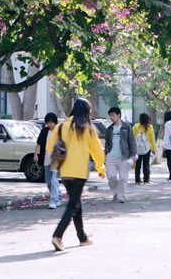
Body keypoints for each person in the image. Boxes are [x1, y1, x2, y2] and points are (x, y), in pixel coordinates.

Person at [51, 98, 105, 252]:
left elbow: (50, 146)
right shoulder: (87, 128)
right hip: (79, 172)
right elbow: (97, 150)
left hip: (64, 171)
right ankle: (57, 235)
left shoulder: (61, 127)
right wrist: (101, 168)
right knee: (72, 205)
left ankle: (82, 238)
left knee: (76, 204)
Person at [105, 107, 137, 203]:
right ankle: (116, 192)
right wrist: (107, 153)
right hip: (112, 156)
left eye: (113, 115)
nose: (111, 117)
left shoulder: (126, 127)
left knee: (123, 178)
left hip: (124, 156)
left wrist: (133, 154)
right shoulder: (109, 129)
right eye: (110, 115)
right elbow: (107, 142)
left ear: (118, 115)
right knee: (111, 176)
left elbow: (132, 141)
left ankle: (121, 196)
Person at [35, 113, 61, 209]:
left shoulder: (59, 131)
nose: (49, 125)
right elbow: (39, 143)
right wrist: (36, 154)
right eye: (48, 123)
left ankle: (53, 201)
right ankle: (58, 196)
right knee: (49, 182)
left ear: (55, 122)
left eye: (51, 123)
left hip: (56, 159)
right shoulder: (44, 131)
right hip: (46, 159)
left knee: (54, 181)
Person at [132, 113, 156, 185]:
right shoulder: (150, 127)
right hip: (146, 148)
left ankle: (137, 180)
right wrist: (153, 148)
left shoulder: (136, 127)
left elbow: (132, 137)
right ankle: (146, 179)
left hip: (137, 148)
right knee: (146, 164)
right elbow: (152, 139)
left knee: (138, 164)